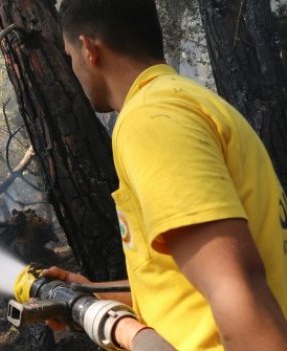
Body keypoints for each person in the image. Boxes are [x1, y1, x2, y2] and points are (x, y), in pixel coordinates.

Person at [46, 0, 287, 350]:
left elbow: (236, 290)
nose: (74, 70)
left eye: (70, 57)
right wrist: (90, 290)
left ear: (88, 49)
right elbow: (191, 282)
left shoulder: (150, 121)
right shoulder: (193, 102)